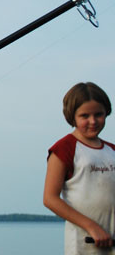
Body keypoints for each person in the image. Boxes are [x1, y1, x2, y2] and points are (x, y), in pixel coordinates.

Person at [44, 82, 115, 253]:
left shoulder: (112, 150)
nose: (93, 121)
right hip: (83, 244)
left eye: (99, 114)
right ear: (72, 116)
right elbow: (50, 199)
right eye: (84, 116)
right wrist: (92, 227)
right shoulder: (64, 148)